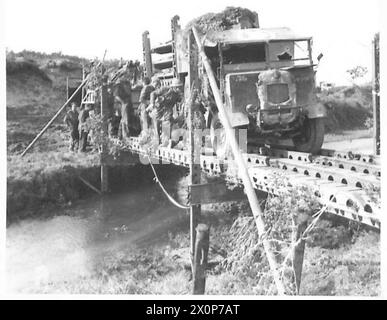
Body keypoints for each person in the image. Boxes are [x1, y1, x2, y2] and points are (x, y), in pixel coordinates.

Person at [147, 77, 183, 146]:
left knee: (168, 123)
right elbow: (153, 93)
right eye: (177, 87)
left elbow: (181, 101)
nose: (179, 89)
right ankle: (157, 141)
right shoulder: (165, 89)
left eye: (179, 87)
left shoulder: (177, 94)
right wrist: (152, 103)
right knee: (157, 125)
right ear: (173, 87)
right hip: (158, 109)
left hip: (167, 111)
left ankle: (166, 141)